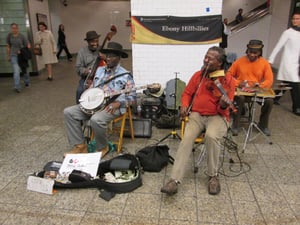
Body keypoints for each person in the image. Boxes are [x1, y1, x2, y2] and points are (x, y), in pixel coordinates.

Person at [160, 46, 235, 196]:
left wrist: (223, 104)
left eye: (210, 59)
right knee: (186, 138)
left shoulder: (228, 80)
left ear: (220, 63)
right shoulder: (198, 76)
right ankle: (174, 180)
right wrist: (185, 105)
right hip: (197, 115)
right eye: (206, 57)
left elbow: (225, 108)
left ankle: (213, 176)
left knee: (211, 136)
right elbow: (187, 93)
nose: (206, 60)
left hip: (217, 117)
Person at [64, 42, 135, 157]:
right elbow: (93, 89)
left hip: (112, 106)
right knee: (69, 112)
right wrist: (88, 90)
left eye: (112, 56)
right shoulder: (99, 70)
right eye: (107, 56)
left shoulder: (126, 75)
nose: (108, 59)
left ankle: (103, 147)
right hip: (94, 105)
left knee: (96, 119)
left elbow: (133, 98)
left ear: (119, 57)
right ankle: (81, 146)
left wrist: (119, 103)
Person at [228, 40, 274, 136]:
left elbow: (269, 80)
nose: (252, 55)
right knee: (240, 98)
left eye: (255, 53)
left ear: (259, 53)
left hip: (256, 89)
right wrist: (238, 83)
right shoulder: (239, 61)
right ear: (247, 51)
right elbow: (228, 75)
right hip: (242, 89)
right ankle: (235, 125)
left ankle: (263, 125)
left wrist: (259, 86)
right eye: (250, 52)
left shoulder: (265, 64)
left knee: (269, 100)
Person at [268, 12, 300, 116]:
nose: (295, 20)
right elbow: (278, 46)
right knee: (295, 84)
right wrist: (270, 59)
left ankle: (274, 98)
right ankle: (297, 107)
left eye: (297, 18)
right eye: (294, 18)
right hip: (288, 62)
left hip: (297, 62)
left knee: (286, 83)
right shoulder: (288, 32)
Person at [75, 30, 101, 104]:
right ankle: (79, 108)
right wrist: (86, 71)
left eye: (96, 41)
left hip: (101, 77)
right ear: (88, 42)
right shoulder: (82, 51)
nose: (95, 43)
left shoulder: (102, 50)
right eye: (92, 42)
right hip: (87, 77)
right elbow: (78, 67)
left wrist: (105, 57)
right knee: (80, 91)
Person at [6, 23, 31, 92]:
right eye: (13, 28)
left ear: (18, 28)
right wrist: (8, 56)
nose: (14, 29)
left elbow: (28, 45)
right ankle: (17, 86)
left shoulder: (22, 36)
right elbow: (8, 46)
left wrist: (23, 49)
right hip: (13, 55)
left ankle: (27, 82)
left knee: (25, 70)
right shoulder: (9, 36)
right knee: (16, 71)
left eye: (15, 28)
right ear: (11, 29)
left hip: (22, 56)